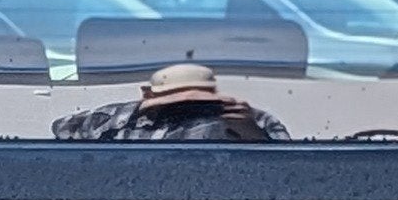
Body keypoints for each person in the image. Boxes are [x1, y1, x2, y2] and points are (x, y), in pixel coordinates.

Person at [53, 59, 291, 143]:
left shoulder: (254, 120)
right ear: (149, 96)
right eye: (174, 100)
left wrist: (252, 136)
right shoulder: (120, 119)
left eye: (198, 101)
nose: (186, 106)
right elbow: (61, 129)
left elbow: (291, 173)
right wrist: (135, 113)